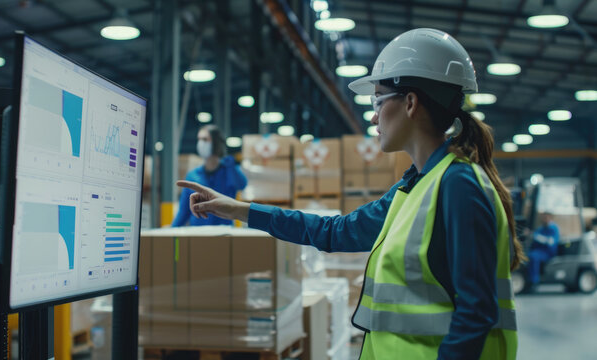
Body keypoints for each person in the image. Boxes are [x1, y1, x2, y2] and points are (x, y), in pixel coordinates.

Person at [178, 28, 526, 359]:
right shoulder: (415, 187)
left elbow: (476, 314)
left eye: (378, 101)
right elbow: (334, 231)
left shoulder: (458, 186)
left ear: (410, 103)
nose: (373, 117)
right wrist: (238, 210)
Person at [171, 124, 247, 227]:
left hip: (224, 232)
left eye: (205, 139)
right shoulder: (192, 176)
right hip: (198, 233)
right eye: (199, 139)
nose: (201, 143)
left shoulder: (229, 171)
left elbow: (242, 184)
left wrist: (231, 166)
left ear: (216, 142)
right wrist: (171, 232)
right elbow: (184, 211)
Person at [526, 212, 560, 286]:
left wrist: (536, 236)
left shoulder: (553, 228)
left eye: (546, 218)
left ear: (550, 218)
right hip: (539, 251)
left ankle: (534, 280)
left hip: (548, 252)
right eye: (543, 218)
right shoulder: (541, 228)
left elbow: (550, 242)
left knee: (534, 257)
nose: (544, 219)